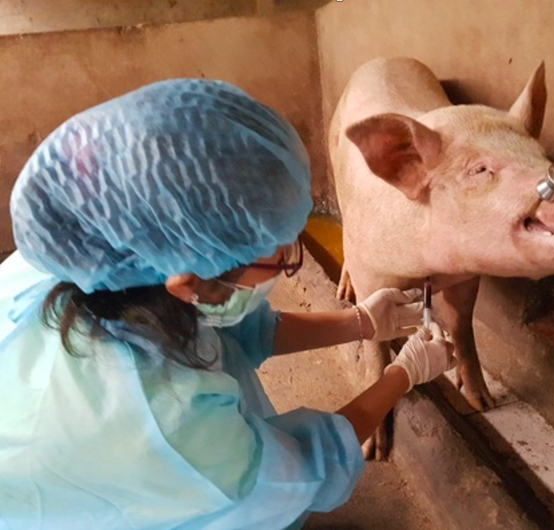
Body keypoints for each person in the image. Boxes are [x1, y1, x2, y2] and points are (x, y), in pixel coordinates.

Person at [0, 79, 455, 530]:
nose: (284, 257)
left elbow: (232, 330)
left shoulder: (100, 255)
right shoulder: (168, 420)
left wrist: (361, 322)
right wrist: (403, 374)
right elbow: (300, 471)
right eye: (279, 256)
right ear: (188, 283)